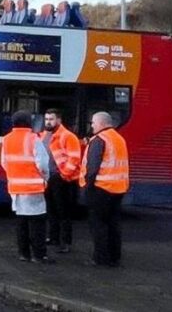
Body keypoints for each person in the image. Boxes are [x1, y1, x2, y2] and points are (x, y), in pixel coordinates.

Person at [1, 110, 52, 264]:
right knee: (37, 223)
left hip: (15, 187)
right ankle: (39, 255)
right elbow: (42, 164)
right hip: (33, 187)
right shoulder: (33, 139)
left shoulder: (7, 139)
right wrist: (45, 178)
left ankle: (23, 253)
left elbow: (4, 162)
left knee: (21, 222)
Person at [79, 111, 129, 268]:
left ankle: (100, 258)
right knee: (113, 224)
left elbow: (92, 168)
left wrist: (87, 187)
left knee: (98, 225)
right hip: (118, 188)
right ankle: (114, 257)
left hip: (101, 189)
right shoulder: (118, 138)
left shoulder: (99, 140)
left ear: (101, 123)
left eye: (93, 123)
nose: (92, 126)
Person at [40, 108, 82, 253]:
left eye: (51, 119)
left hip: (63, 179)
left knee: (64, 212)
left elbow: (75, 158)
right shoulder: (44, 135)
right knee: (51, 210)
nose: (48, 122)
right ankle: (54, 238)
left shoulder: (68, 136)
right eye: (46, 119)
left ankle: (66, 243)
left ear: (59, 120)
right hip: (49, 178)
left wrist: (64, 174)